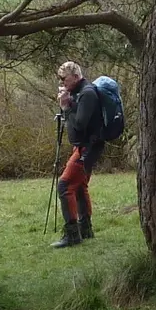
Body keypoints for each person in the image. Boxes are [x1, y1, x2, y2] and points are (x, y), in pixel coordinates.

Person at [51, 61, 106, 248]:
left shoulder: (88, 93)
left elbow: (80, 123)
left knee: (65, 186)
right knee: (80, 186)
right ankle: (86, 229)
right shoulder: (80, 93)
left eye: (64, 78)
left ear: (75, 76)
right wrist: (69, 102)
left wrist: (66, 107)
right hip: (84, 147)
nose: (62, 82)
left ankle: (72, 234)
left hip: (88, 148)